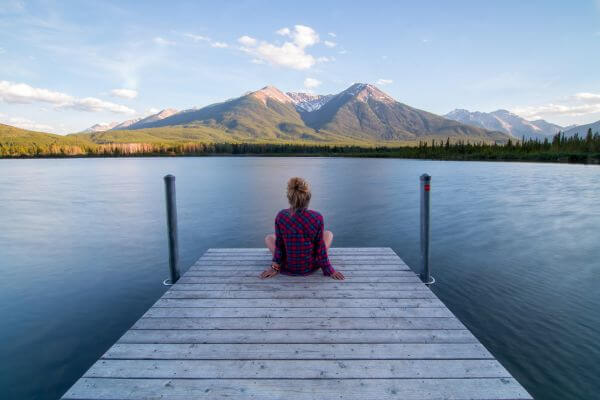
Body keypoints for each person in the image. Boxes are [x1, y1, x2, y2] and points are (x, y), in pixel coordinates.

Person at [260, 177, 345, 280]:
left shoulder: (281, 216)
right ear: (308, 197)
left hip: (288, 266)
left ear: (289, 198)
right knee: (328, 234)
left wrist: (274, 267)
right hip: (310, 266)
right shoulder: (317, 217)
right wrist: (329, 270)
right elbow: (320, 247)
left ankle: (279, 264)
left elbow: (279, 245)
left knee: (269, 238)